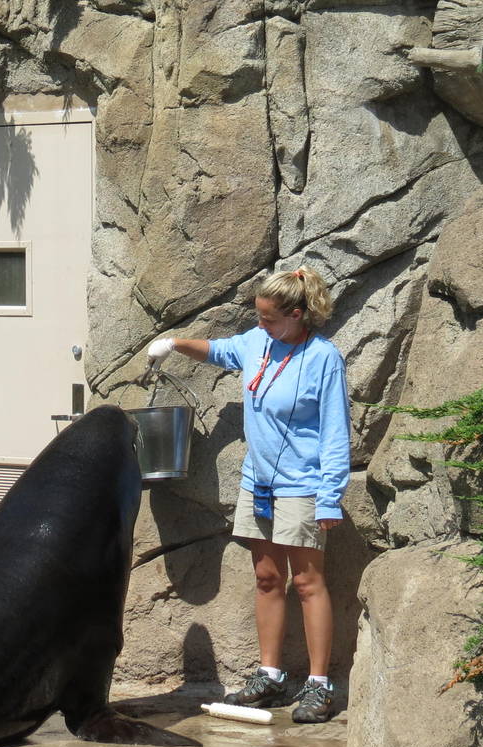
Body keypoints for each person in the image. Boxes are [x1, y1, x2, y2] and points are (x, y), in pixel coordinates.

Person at [147, 266, 350, 723]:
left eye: (269, 319)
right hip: (258, 483)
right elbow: (219, 351)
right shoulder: (258, 343)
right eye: (257, 317)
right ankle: (271, 676)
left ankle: (319, 685)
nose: (261, 326)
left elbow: (336, 432)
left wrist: (330, 495)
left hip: (303, 485)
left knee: (306, 582)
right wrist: (175, 343)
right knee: (266, 578)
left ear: (297, 315)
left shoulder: (323, 358)